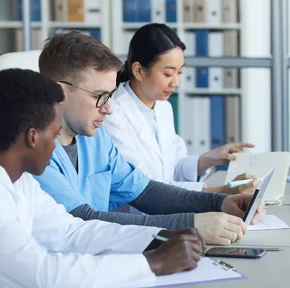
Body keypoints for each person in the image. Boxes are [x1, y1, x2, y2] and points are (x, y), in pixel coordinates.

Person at [0, 69, 206, 287]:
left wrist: (157, 237)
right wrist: (154, 263)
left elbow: (71, 232)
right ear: (33, 137)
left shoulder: (19, 178)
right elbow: (45, 274)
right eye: (55, 135)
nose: (56, 146)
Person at [34, 31, 264, 246]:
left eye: (110, 95)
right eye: (99, 96)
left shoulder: (94, 138)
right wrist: (190, 225)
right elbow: (82, 220)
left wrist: (221, 203)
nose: (109, 108)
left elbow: (143, 190)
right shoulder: (33, 151)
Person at [104, 23, 257, 195]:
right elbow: (145, 188)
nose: (175, 83)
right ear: (139, 70)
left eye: (180, 73)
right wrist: (222, 192)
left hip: (167, 212)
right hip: (137, 217)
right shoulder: (112, 115)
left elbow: (173, 167)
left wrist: (208, 159)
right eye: (168, 74)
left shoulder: (163, 108)